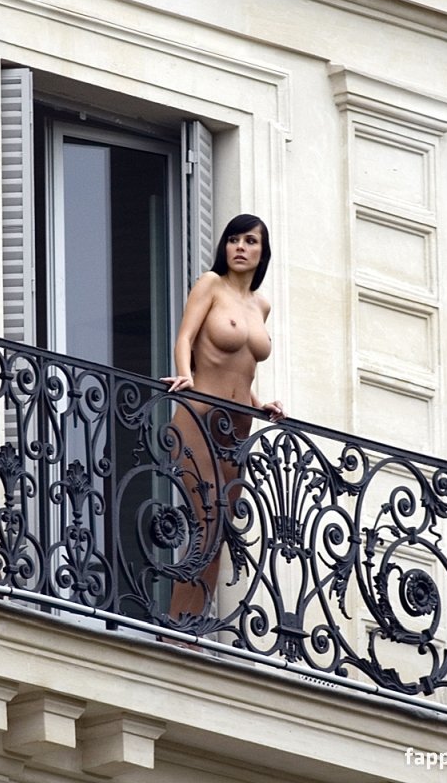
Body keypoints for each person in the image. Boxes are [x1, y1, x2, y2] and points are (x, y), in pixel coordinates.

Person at [160, 213, 284, 633]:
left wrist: (261, 404)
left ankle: (191, 622)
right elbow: (185, 336)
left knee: (220, 527)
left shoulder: (261, 305)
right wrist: (185, 375)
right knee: (206, 516)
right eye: (234, 240)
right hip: (200, 411)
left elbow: (243, 365)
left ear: (263, 252)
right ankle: (175, 624)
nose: (240, 247)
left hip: (238, 424)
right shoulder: (210, 284)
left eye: (250, 241)